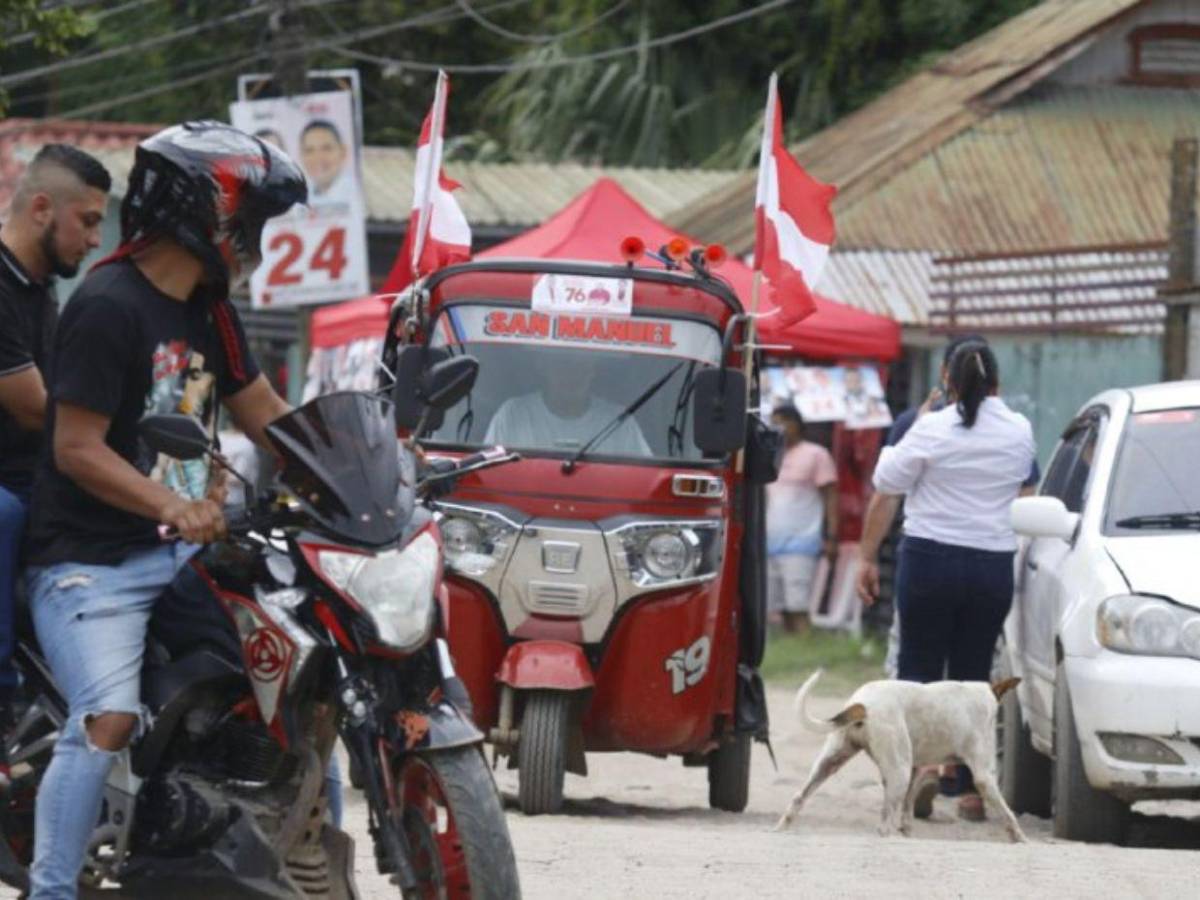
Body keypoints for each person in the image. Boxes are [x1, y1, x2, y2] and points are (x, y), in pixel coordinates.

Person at [22, 121, 307, 899]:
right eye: (248, 224)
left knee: (291, 685)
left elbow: (268, 414)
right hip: (90, 563)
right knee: (106, 717)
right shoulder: (108, 306)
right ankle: (52, 890)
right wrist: (169, 507)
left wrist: (362, 467)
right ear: (202, 216)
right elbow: (75, 448)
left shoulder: (211, 313)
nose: (255, 244)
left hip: (185, 558)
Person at [856, 341, 1035, 823]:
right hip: (990, 564)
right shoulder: (1019, 431)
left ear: (948, 382)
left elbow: (886, 484)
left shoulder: (930, 429)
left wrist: (866, 557)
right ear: (997, 384)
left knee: (918, 671)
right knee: (975, 677)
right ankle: (975, 787)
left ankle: (921, 769)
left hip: (930, 560)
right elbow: (1023, 480)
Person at [0, 145, 110, 784]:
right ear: (42, 208)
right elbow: (42, 413)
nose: (95, 240)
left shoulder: (42, 293)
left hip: (33, 472)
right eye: (88, 222)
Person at [484, 350, 651, 456]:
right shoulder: (513, 414)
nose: (573, 374)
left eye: (582, 364)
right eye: (563, 364)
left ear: (594, 369)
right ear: (543, 367)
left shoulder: (619, 421)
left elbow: (645, 483)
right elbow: (486, 472)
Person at [766, 405, 838, 633]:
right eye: (775, 422)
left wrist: (831, 537)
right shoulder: (770, 455)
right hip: (769, 543)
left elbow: (831, 498)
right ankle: (794, 653)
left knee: (798, 605)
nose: (780, 428)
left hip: (801, 543)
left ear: (797, 424)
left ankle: (806, 649)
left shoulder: (816, 454)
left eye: (785, 421)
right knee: (780, 607)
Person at [299, 119, 354, 207]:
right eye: (309, 150)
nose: (318, 157)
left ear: (343, 152)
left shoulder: (357, 195)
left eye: (326, 148)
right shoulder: (299, 198)